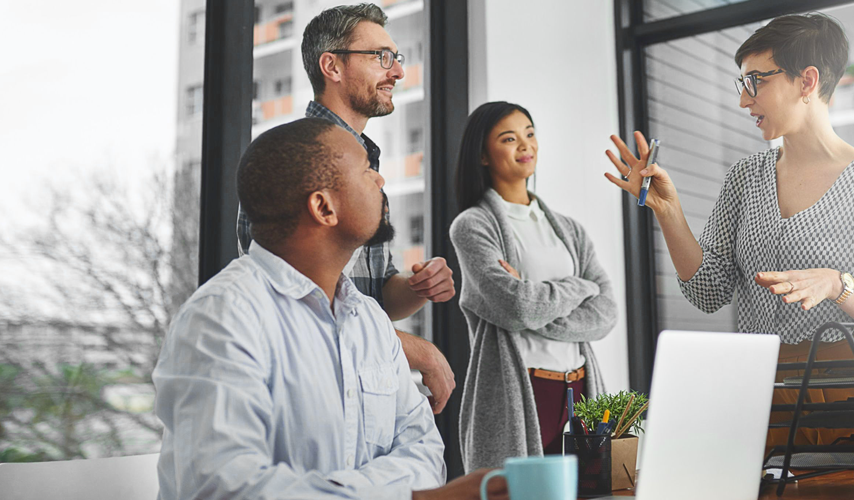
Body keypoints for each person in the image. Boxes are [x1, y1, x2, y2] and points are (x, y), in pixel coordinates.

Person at [603, 13, 854, 451]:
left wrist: (838, 284)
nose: (744, 100)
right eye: (741, 83)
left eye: (756, 81)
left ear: (806, 81)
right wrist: (668, 210)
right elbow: (707, 291)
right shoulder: (744, 178)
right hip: (764, 396)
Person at [154, 118, 507, 500]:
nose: (380, 181)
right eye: (366, 170)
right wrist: (411, 498)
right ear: (323, 207)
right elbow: (225, 488)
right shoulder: (221, 318)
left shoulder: (369, 320)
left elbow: (424, 451)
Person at [236, 2, 457, 415]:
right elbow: (298, 307)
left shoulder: (367, 164)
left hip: (365, 385)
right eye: (381, 57)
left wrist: (416, 288)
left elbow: (377, 295)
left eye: (397, 58)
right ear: (332, 66)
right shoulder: (290, 160)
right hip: (313, 394)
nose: (398, 72)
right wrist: (415, 350)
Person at [450, 102, 619, 470]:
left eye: (529, 133)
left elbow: (606, 314)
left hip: (580, 388)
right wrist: (580, 287)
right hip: (522, 390)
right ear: (482, 154)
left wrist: (532, 296)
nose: (526, 145)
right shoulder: (473, 226)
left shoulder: (569, 229)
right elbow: (518, 308)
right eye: (509, 139)